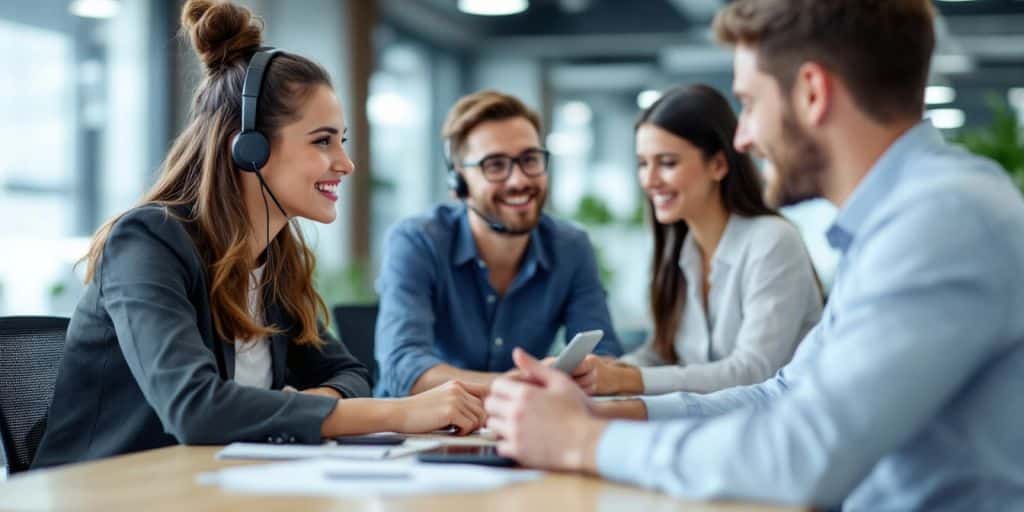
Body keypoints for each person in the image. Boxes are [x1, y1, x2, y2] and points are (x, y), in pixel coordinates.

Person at [483, 0, 1024, 509]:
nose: (741, 137)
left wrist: (583, 442)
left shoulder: (945, 218)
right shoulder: (896, 223)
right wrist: (604, 414)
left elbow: (803, 453)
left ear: (812, 92)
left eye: (748, 103)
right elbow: (777, 394)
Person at [34, 0, 485, 469]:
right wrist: (399, 413)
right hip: (107, 491)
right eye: (322, 141)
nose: (346, 164)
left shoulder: (273, 256)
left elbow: (349, 372)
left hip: (212, 486)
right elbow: (196, 409)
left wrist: (319, 403)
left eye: (342, 141)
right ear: (249, 148)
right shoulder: (148, 243)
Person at [574, 84, 822, 397]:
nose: (649, 180)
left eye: (667, 162)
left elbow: (753, 371)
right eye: (642, 163)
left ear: (718, 165)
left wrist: (626, 380)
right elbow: (661, 354)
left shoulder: (772, 241)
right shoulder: (679, 249)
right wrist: (605, 370)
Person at [374, 90, 623, 397]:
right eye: (495, 165)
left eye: (530, 159)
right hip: (412, 436)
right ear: (459, 182)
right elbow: (403, 368)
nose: (519, 180)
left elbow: (606, 354)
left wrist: (589, 371)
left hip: (520, 428)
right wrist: (513, 386)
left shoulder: (571, 246)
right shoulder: (417, 241)